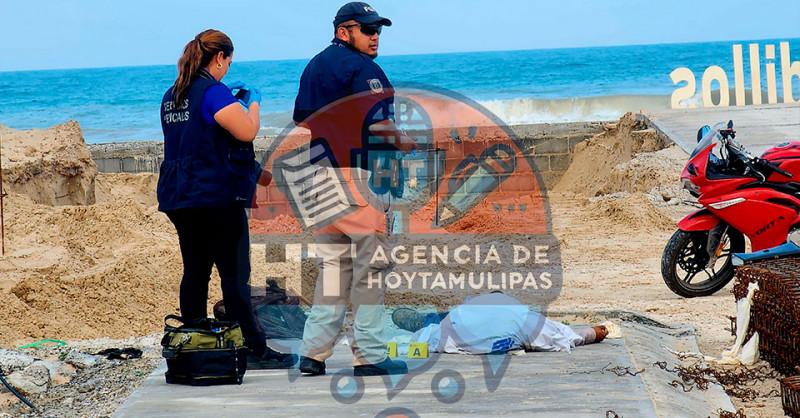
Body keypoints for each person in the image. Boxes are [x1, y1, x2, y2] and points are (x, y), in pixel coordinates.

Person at [157, 29, 295, 369]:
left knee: (195, 269)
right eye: (228, 63)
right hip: (215, 197)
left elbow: (198, 140)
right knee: (234, 275)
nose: (227, 70)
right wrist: (254, 103)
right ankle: (255, 348)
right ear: (219, 57)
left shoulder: (171, 95)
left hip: (181, 195)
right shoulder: (213, 92)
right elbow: (247, 131)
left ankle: (193, 338)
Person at [292, 2, 415, 377]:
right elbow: (379, 126)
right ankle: (370, 355)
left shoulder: (314, 66)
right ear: (344, 31)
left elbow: (302, 117)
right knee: (370, 269)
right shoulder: (364, 69)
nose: (375, 36)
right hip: (359, 176)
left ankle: (313, 354)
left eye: (378, 29)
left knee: (334, 268)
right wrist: (409, 144)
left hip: (320, 176)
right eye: (367, 29)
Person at [392, 293, 609, 354]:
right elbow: (565, 337)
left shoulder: (468, 313)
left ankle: (423, 320)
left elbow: (424, 341)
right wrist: (596, 332)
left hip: (456, 323)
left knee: (437, 323)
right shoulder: (525, 319)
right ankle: (423, 320)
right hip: (461, 326)